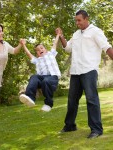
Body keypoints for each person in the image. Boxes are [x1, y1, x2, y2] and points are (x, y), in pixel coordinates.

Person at [56, 10, 113, 139]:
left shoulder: (96, 31)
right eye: (76, 20)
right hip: (76, 71)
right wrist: (61, 37)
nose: (77, 23)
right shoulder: (76, 34)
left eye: (79, 20)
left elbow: (107, 47)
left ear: (86, 19)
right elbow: (67, 48)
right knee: (72, 100)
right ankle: (70, 125)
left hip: (89, 70)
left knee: (92, 100)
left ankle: (96, 130)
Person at [19, 33, 61, 112]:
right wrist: (23, 45)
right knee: (33, 77)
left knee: (46, 80)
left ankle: (48, 104)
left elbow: (55, 43)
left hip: (53, 78)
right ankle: (30, 97)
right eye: (37, 50)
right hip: (42, 79)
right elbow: (29, 54)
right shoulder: (37, 60)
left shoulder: (51, 54)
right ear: (37, 54)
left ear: (46, 49)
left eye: (41, 48)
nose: (40, 50)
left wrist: (58, 35)